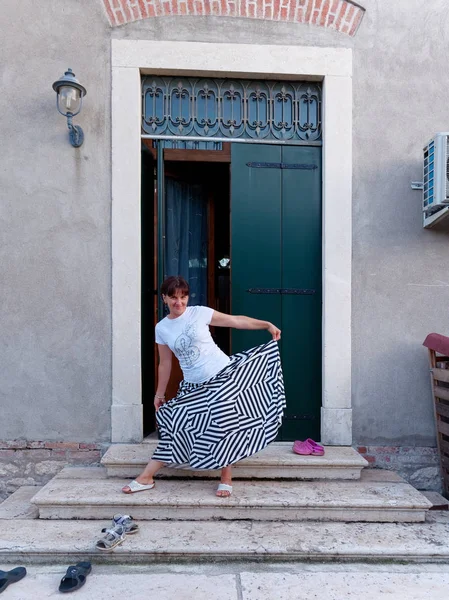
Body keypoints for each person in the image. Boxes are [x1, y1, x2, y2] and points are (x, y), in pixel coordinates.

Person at [122, 275, 285, 498]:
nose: (179, 302)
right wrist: (159, 393)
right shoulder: (162, 328)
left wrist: (266, 324)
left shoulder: (199, 313)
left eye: (183, 297)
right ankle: (147, 477)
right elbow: (166, 363)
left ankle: (226, 478)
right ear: (164, 299)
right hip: (192, 385)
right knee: (175, 426)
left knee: (226, 425)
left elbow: (235, 321)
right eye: (173, 298)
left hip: (223, 377)